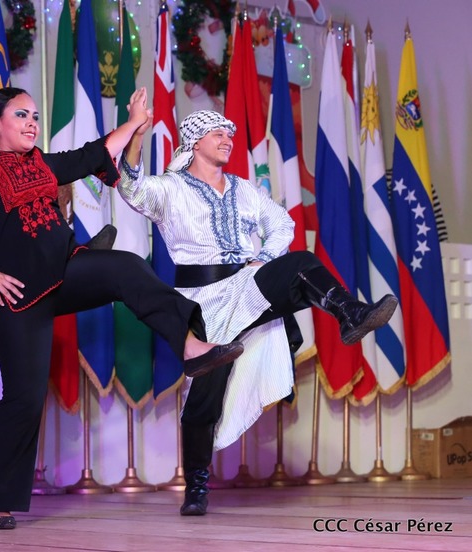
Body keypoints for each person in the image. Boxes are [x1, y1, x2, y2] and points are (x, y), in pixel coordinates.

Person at [0, 87, 245, 530]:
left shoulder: (40, 163)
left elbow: (91, 155)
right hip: (17, 295)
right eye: (21, 115)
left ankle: (189, 346)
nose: (32, 123)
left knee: (128, 268)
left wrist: (133, 122)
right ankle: (0, 502)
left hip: (65, 270)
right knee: (24, 398)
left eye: (35, 115)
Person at [117, 109, 398, 516]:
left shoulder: (244, 189)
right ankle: (196, 486)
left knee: (299, 262)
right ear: (194, 141)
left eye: (229, 134)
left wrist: (263, 259)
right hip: (202, 301)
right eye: (217, 133)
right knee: (205, 397)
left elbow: (281, 224)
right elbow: (132, 189)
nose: (227, 140)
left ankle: (349, 312)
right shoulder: (171, 188)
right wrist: (138, 135)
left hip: (247, 287)